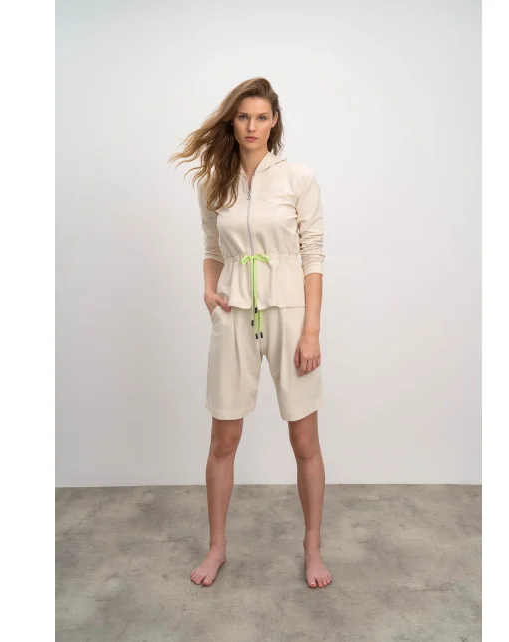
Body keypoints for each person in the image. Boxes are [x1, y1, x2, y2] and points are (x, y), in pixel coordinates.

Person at [169, 78, 332, 589]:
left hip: (289, 314)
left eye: (261, 117)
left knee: (304, 438)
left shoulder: (298, 178)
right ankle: (216, 546)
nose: (252, 126)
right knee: (224, 437)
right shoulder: (214, 183)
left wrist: (311, 330)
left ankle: (312, 547)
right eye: (243, 117)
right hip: (234, 312)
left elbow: (313, 255)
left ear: (274, 121)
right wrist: (209, 291)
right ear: (232, 122)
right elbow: (211, 248)